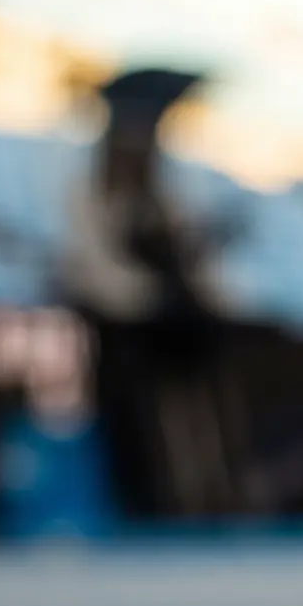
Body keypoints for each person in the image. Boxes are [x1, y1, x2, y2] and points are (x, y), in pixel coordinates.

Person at [58, 69, 253, 519]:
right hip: (127, 324)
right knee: (138, 415)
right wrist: (145, 294)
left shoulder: (164, 185)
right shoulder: (92, 187)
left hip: (175, 324)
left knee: (199, 409)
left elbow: (187, 250)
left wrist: (196, 269)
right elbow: (98, 262)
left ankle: (207, 493)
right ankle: (151, 498)